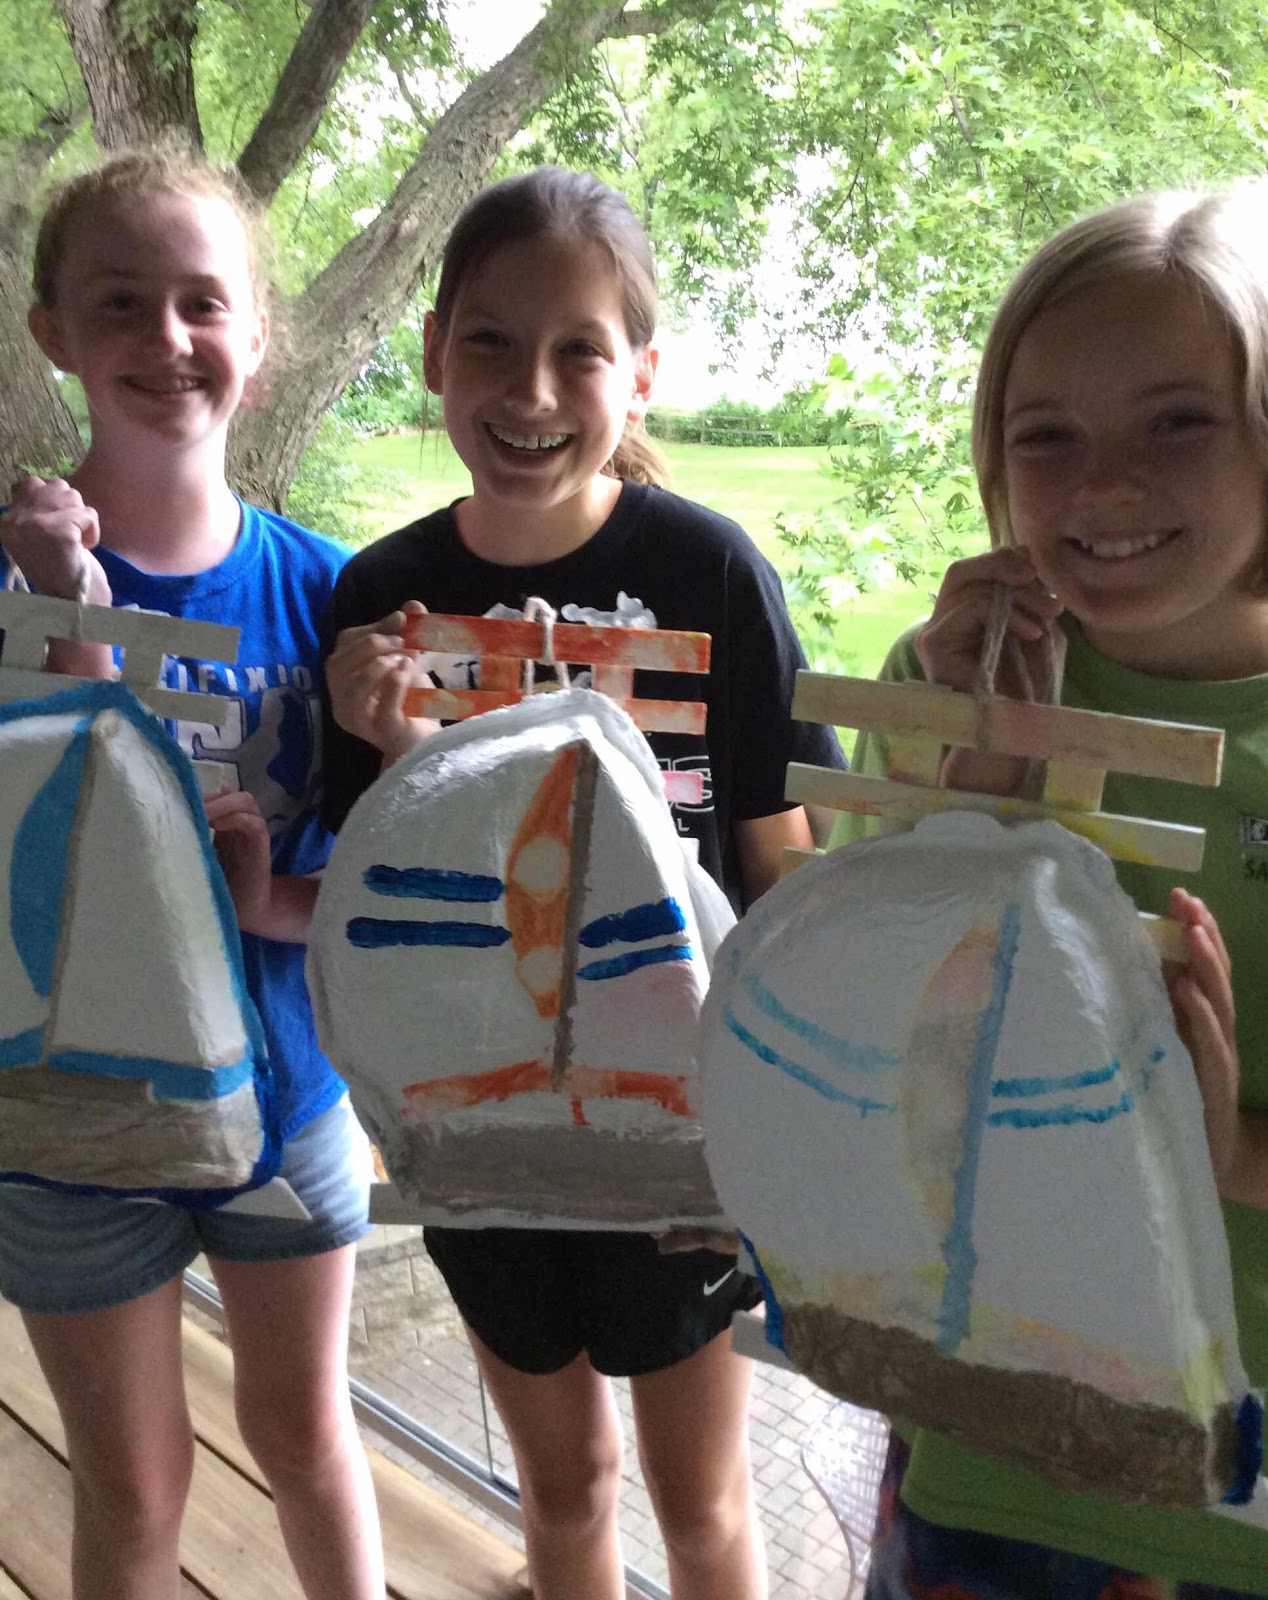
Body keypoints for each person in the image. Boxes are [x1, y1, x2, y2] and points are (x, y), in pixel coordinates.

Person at [320, 165, 843, 1600]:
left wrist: (779, 1120)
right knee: (563, 1489)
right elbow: (382, 902)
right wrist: (391, 750)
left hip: (683, 1131)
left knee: (702, 1504)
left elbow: (780, 867)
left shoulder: (711, 571)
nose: (531, 389)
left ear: (642, 375)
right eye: (491, 341)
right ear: (435, 351)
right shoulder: (378, 597)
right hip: (474, 1129)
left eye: (580, 351)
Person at [836, 184, 1268, 1598]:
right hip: (985, 1437)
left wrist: (1225, 1157)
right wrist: (972, 787)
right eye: (1047, 436)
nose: (1105, 485)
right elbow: (846, 1044)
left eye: (1178, 422)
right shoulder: (932, 690)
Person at [0, 149, 385, 1600]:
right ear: (53, 331)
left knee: (307, 1434)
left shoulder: (330, 590)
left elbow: (380, 868)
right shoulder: (6, 587)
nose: (167, 338)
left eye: (203, 303)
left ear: (257, 335)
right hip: (63, 1125)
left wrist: (275, 890)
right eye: (121, 303)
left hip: (286, 1096)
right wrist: (57, 609)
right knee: (134, 1486)